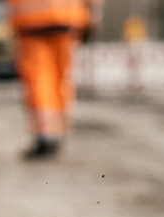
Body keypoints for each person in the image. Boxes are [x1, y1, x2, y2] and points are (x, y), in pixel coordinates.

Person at [9, 0, 100, 157]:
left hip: (32, 21)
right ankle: (57, 131)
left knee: (39, 78)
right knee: (61, 78)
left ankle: (46, 135)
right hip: (69, 18)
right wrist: (93, 16)